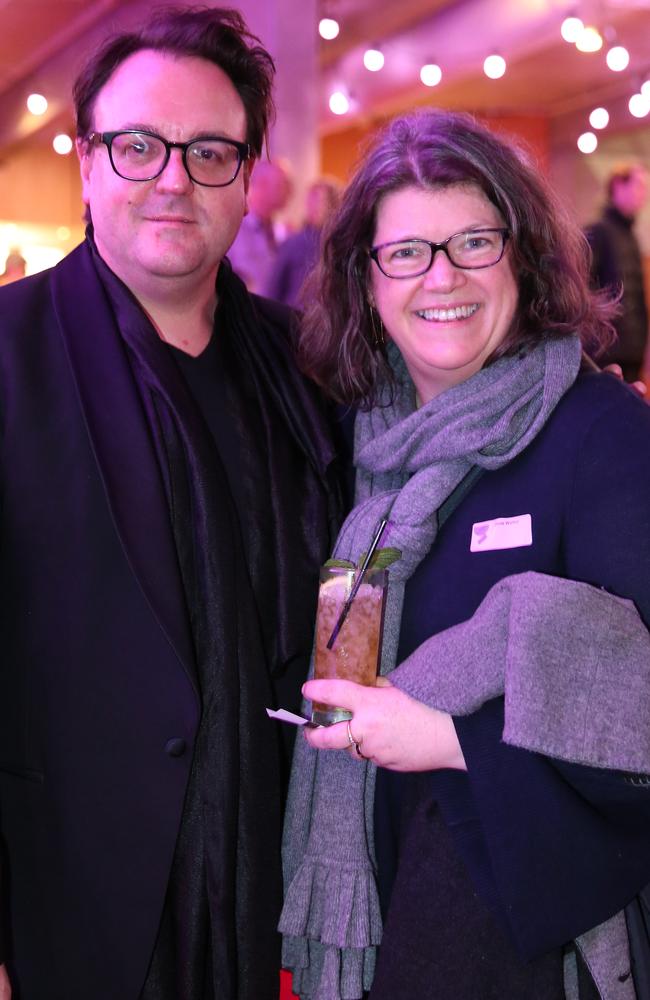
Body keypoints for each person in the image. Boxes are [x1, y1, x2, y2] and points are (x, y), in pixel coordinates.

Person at [0, 7, 344, 1000]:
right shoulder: (10, 354)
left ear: (246, 179)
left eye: (208, 152)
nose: (172, 179)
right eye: (139, 146)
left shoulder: (308, 367)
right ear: (87, 162)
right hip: (69, 906)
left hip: (284, 895)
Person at [280, 110, 650, 1000]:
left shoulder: (600, 436)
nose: (441, 277)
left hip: (525, 945)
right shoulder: (355, 450)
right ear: (367, 282)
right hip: (376, 921)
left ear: (520, 257)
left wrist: (451, 739)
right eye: (406, 252)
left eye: (473, 242)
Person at [586, 163, 649, 382]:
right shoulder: (598, 232)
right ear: (618, 187)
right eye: (639, 186)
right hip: (607, 353)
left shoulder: (631, 237)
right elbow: (584, 291)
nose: (644, 194)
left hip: (633, 351)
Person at [265, 177, 341, 307]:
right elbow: (273, 289)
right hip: (293, 319)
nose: (314, 206)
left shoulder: (342, 245)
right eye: (311, 200)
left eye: (320, 201)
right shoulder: (293, 244)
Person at [227, 158, 293, 293]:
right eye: (283, 184)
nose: (289, 191)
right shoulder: (234, 229)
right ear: (263, 185)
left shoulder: (279, 231)